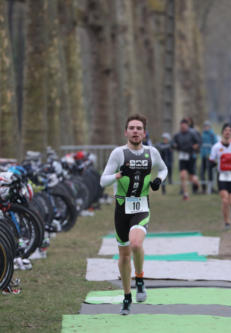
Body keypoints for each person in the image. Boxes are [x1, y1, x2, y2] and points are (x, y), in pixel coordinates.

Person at [100, 114, 168, 315]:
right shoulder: (118, 154)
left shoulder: (151, 152)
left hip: (141, 207)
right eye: (132, 128)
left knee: (136, 243)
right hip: (121, 208)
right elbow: (103, 181)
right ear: (126, 132)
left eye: (139, 128)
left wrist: (158, 181)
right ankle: (127, 296)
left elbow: (164, 169)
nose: (135, 131)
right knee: (124, 254)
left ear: (144, 133)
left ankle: (139, 278)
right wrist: (119, 174)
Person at [172, 119, 201, 200]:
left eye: (184, 127)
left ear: (187, 126)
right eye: (182, 127)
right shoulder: (177, 135)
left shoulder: (192, 134)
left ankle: (197, 184)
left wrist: (196, 146)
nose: (183, 128)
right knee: (182, 175)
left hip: (191, 157)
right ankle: (185, 194)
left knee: (192, 178)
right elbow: (173, 143)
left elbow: (198, 142)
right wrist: (174, 145)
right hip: (182, 157)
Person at [200, 121, 218, 194]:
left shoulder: (212, 134)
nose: (206, 128)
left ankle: (210, 188)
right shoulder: (202, 135)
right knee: (202, 172)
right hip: (203, 155)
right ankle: (203, 187)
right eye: (205, 126)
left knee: (209, 172)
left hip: (210, 156)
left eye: (207, 126)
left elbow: (215, 143)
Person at [185, 116, 202, 193]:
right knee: (188, 174)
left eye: (188, 121)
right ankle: (193, 188)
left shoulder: (195, 130)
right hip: (185, 154)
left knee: (192, 172)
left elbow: (199, 141)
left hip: (192, 154)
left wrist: (196, 147)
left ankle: (198, 188)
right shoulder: (184, 131)